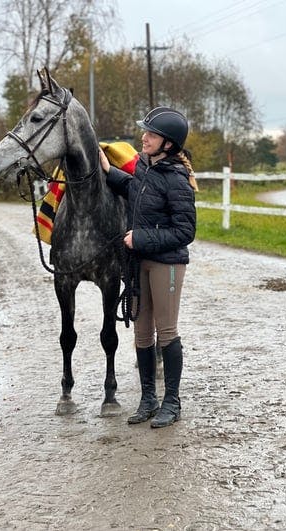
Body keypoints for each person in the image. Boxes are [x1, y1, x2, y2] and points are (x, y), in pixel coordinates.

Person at [99, 107, 197, 428]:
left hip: (167, 264)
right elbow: (133, 189)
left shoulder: (177, 180)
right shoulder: (143, 166)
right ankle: (148, 399)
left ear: (168, 143)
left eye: (151, 134)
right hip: (139, 262)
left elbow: (186, 232)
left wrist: (141, 237)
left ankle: (172, 401)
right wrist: (108, 170)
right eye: (145, 132)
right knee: (142, 333)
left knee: (166, 331)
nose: (144, 137)